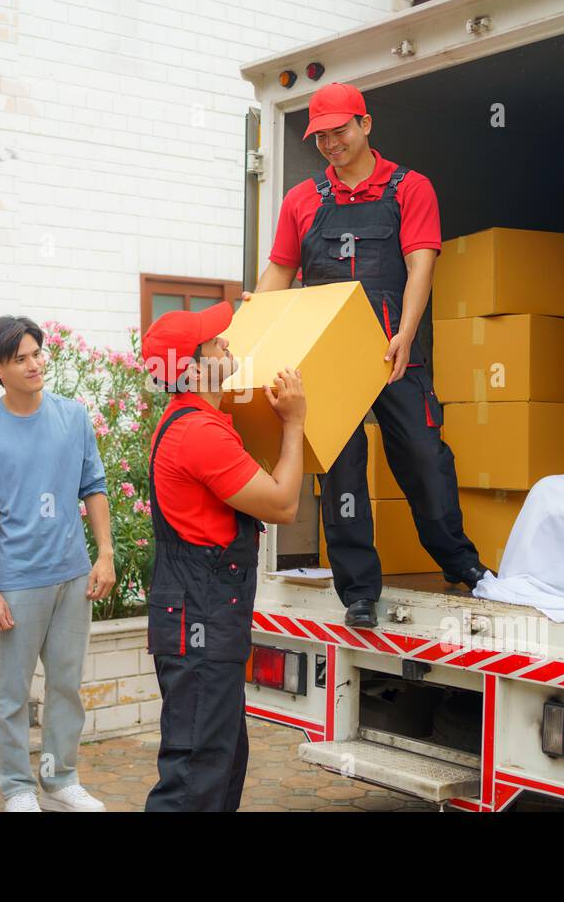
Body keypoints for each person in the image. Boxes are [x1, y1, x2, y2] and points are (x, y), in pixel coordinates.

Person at [251, 81, 490, 629]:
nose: (330, 143)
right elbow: (280, 271)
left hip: (394, 351)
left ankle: (460, 562)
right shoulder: (303, 199)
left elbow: (421, 263)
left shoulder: (411, 188)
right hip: (329, 361)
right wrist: (254, 329)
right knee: (341, 471)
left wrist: (405, 334)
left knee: (425, 460)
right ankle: (358, 591)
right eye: (321, 136)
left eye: (339, 130)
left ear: (365, 124)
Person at [140, 301, 306, 812]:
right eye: (215, 343)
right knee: (194, 777)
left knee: (221, 762)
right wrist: (295, 424)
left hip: (206, 618)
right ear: (190, 369)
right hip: (201, 622)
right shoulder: (199, 434)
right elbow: (282, 503)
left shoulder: (199, 420)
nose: (227, 343)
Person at [0, 316, 114, 812]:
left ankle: (60, 777)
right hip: (18, 582)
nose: (34, 364)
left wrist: (105, 555)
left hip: (72, 573)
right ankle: (17, 788)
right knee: (12, 694)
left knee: (66, 687)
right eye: (21, 358)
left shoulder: (73, 417)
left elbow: (94, 488)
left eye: (37, 354)